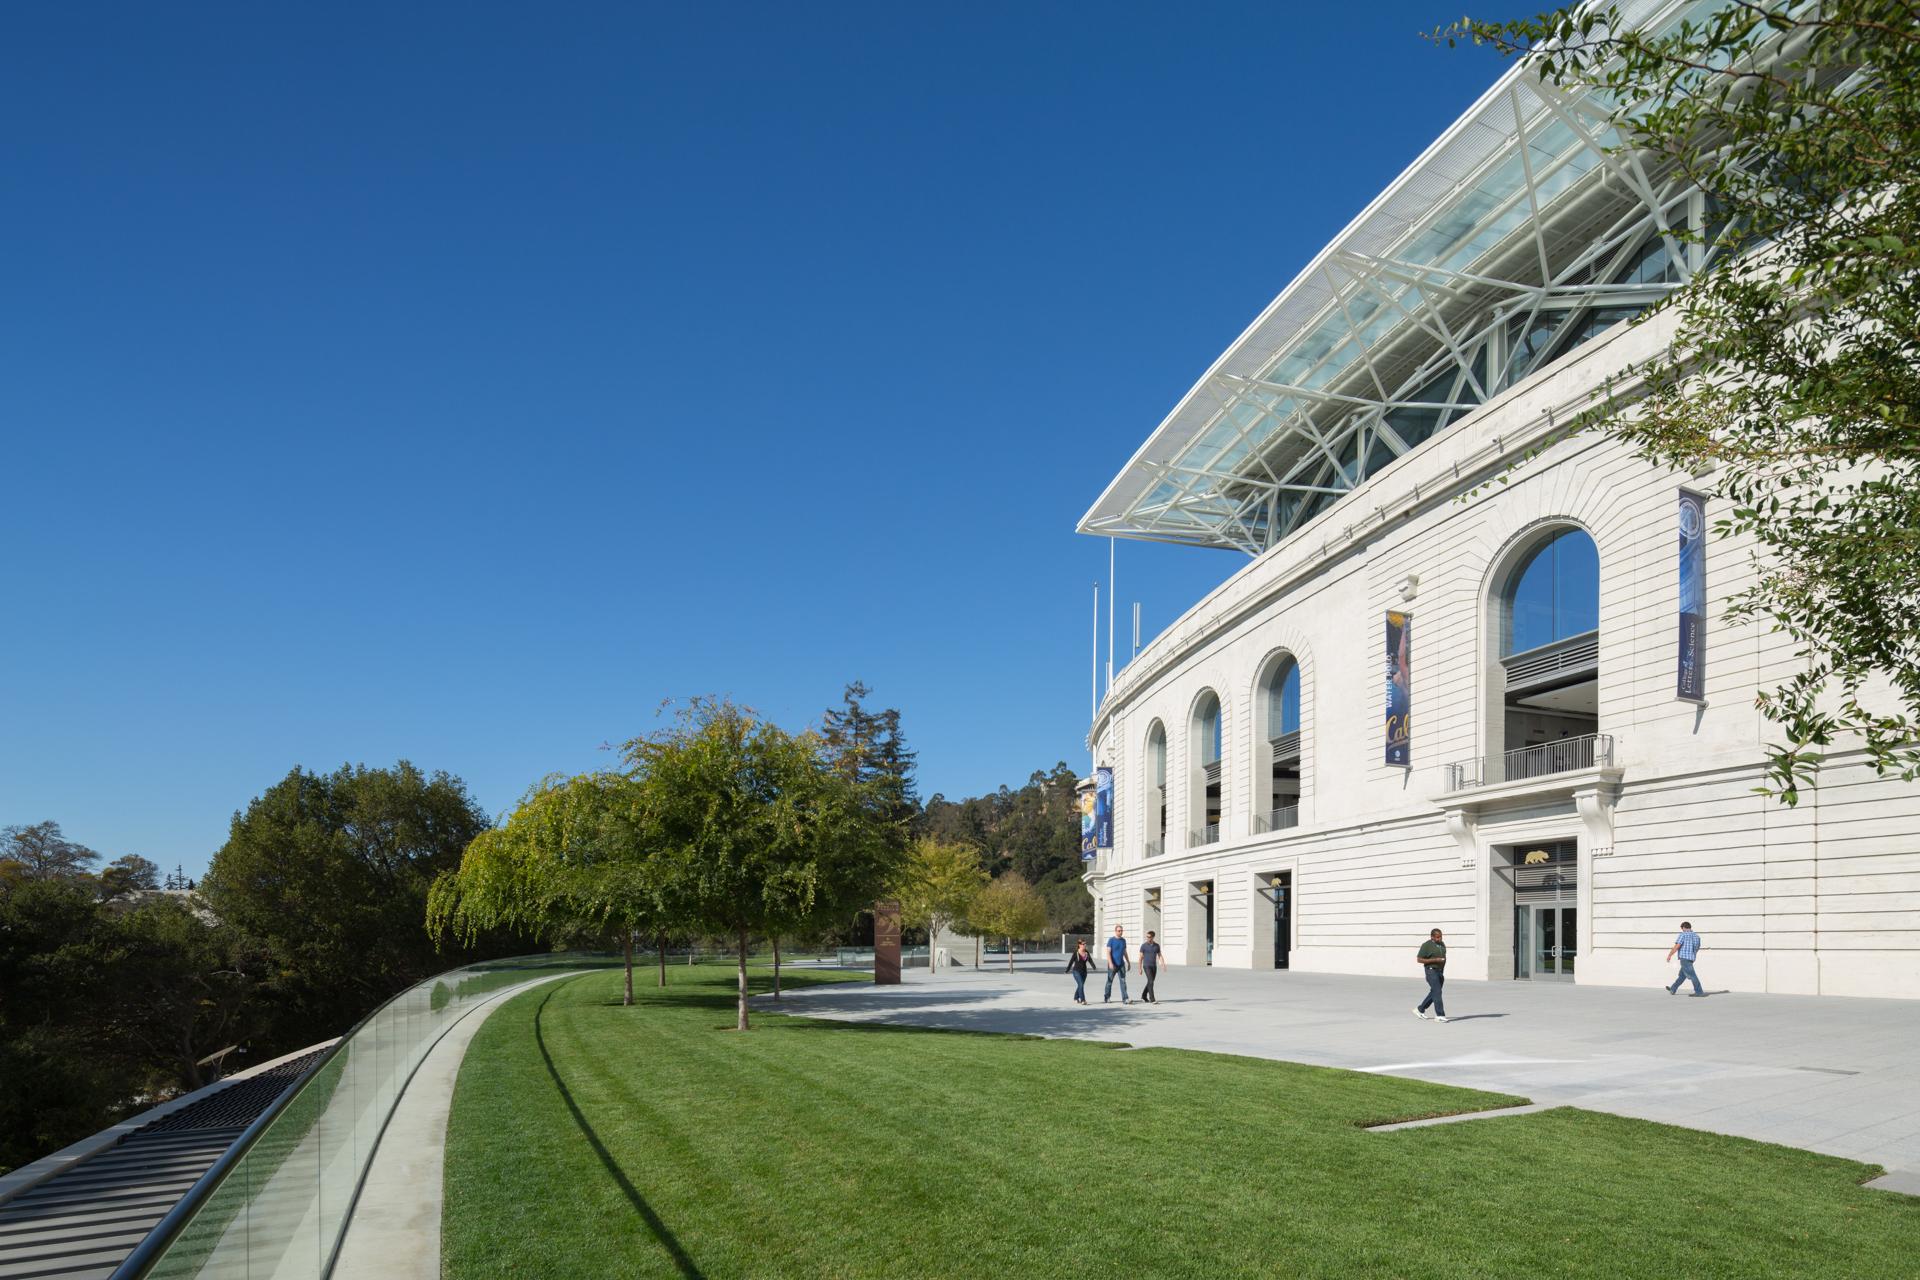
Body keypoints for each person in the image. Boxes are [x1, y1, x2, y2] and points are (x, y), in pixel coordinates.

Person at [1412, 928, 1448, 1022]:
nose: (1439, 939)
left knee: (1435, 992)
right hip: (1431, 971)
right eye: (1437, 937)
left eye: (1441, 936)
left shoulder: (1442, 944)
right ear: (1432, 937)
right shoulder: (1426, 945)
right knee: (1437, 992)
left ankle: (1420, 1009)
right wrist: (1435, 960)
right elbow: (1419, 959)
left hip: (1440, 972)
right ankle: (1440, 1015)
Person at [1666, 921, 1705, 996]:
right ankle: (1673, 988)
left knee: (1692, 975)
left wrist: (1670, 955)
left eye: (1682, 929)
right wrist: (1692, 956)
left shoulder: (1683, 935)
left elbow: (1677, 946)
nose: (1682, 930)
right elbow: (1697, 948)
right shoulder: (1697, 936)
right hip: (1691, 958)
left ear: (1683, 928)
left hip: (1684, 958)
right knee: (1682, 976)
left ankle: (1699, 992)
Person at [1104, 924, 1131, 1004]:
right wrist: (1110, 963)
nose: (1120, 932)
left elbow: (1124, 952)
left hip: (1121, 965)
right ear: (1115, 931)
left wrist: (1128, 962)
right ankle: (1107, 997)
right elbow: (1108, 952)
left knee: (1123, 981)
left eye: (1121, 931)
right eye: (1119, 931)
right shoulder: (1111, 940)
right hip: (1113, 964)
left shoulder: (1123, 940)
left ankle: (1125, 999)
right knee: (1109, 981)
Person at [1138, 930, 1162, 1003]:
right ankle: (1152, 999)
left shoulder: (1157, 946)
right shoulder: (1144, 946)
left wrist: (1162, 964)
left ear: (1153, 937)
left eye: (1149, 937)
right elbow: (1140, 958)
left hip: (1154, 966)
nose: (1148, 938)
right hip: (1146, 966)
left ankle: (1143, 996)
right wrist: (1140, 968)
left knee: (1150, 982)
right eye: (1147, 937)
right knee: (1151, 981)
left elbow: (1160, 955)